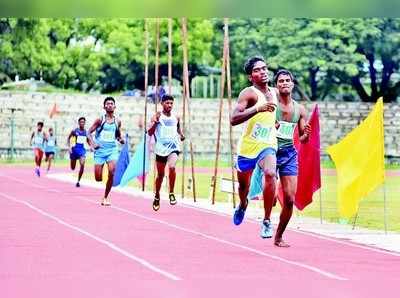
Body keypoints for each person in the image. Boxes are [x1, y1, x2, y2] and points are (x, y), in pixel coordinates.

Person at [230, 56, 278, 239]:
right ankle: (243, 204)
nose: (263, 72)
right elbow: (233, 119)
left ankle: (266, 221)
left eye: (264, 68)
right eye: (257, 70)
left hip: (268, 145)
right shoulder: (248, 94)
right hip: (248, 148)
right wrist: (258, 109)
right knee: (244, 186)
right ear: (251, 76)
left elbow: (279, 114)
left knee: (270, 174)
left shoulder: (274, 92)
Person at [273, 69, 311, 247]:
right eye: (281, 81)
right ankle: (267, 200)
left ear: (292, 84)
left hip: (289, 154)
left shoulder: (300, 110)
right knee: (271, 196)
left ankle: (279, 236)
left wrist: (306, 135)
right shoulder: (271, 106)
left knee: (289, 199)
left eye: (287, 80)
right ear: (276, 85)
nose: (284, 83)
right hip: (270, 151)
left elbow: (303, 138)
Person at [147, 94, 185, 211]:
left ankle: (171, 192)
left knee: (172, 167)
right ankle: (157, 195)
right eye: (167, 103)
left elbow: (177, 128)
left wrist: (181, 135)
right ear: (162, 104)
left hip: (173, 147)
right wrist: (155, 122)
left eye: (171, 103)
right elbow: (149, 132)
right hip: (161, 149)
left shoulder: (176, 117)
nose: (169, 105)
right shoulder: (157, 116)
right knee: (160, 175)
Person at [87, 97, 124, 206]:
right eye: (107, 104)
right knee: (98, 178)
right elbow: (88, 132)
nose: (109, 105)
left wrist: (120, 140)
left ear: (115, 106)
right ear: (104, 107)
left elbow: (117, 135)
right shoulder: (100, 120)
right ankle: (100, 170)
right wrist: (93, 143)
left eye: (111, 103)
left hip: (112, 149)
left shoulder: (118, 121)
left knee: (112, 172)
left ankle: (105, 197)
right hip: (100, 150)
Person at [67, 117, 90, 187]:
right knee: (72, 168)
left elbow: (89, 142)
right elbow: (68, 138)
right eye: (81, 122)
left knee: (82, 164)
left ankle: (78, 181)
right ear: (79, 123)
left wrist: (92, 147)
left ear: (85, 123)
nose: (82, 123)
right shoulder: (74, 131)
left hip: (82, 150)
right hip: (74, 150)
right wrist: (69, 147)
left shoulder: (86, 132)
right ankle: (72, 161)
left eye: (83, 122)